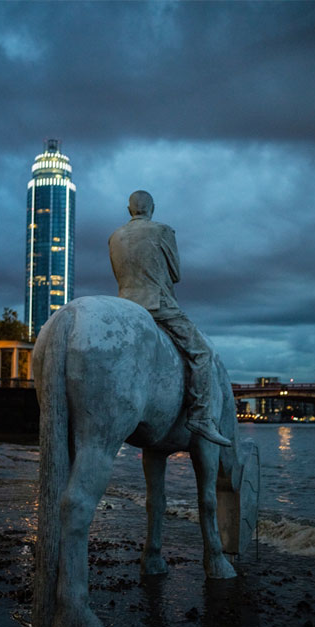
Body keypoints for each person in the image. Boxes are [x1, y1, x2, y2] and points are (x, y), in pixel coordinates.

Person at [108, 190, 230, 447]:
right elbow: (175, 274)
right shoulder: (162, 231)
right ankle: (201, 417)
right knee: (202, 352)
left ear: (129, 209)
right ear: (152, 208)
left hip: (125, 306)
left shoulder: (115, 236)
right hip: (157, 304)